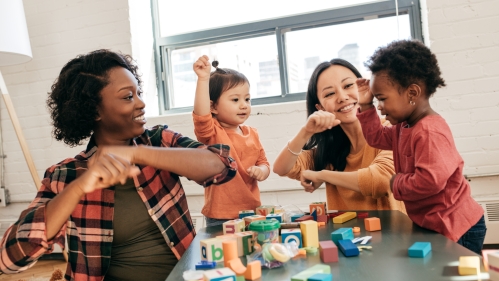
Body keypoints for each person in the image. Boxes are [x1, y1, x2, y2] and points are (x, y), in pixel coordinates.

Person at [0, 49, 237, 280]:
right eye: (128, 96)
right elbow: (9, 260)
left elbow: (222, 165)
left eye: (139, 92)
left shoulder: (158, 142)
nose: (141, 103)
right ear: (94, 111)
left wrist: (137, 154)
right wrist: (78, 188)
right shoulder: (65, 175)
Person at [356, 39, 486, 254]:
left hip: (456, 226)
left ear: (412, 93)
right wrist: (365, 104)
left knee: (457, 274)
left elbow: (429, 182)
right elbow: (377, 137)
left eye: (382, 99)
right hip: (436, 223)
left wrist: (395, 182)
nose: (379, 106)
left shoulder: (429, 131)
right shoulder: (404, 126)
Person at [273, 58, 405, 212]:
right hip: (346, 236)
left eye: (348, 85)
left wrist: (323, 175)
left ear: (364, 87)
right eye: (329, 93)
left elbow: (382, 180)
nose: (342, 97)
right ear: (320, 107)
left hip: (394, 235)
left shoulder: (391, 130)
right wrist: (306, 132)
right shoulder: (330, 150)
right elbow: (281, 168)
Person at [192, 55, 270, 226]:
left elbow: (264, 163)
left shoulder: (253, 133)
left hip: (252, 212)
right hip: (220, 216)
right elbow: (201, 115)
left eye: (247, 99)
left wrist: (261, 171)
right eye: (235, 100)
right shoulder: (212, 133)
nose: (244, 105)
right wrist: (203, 79)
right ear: (213, 107)